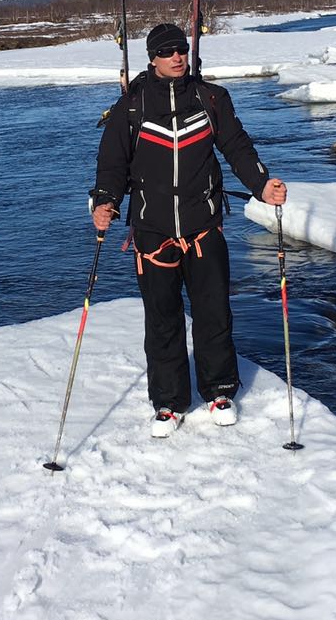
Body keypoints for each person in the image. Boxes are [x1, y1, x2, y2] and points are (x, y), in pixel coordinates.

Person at [92, 22, 287, 437]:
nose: (176, 57)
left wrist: (261, 185)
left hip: (204, 227)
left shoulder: (211, 98)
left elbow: (236, 146)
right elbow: (112, 164)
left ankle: (219, 391)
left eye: (181, 49)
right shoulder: (131, 107)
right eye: (167, 52)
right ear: (152, 59)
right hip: (152, 232)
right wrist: (105, 201)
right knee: (162, 321)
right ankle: (169, 402)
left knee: (213, 313)